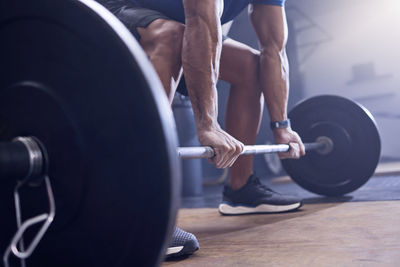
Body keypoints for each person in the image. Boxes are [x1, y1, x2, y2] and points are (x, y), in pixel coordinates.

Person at [97, 0, 306, 259]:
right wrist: (208, 124)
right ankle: (141, 210)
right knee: (171, 34)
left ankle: (241, 190)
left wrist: (281, 125)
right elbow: (202, 24)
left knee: (249, 66)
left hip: (181, 27)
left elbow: (274, 49)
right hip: (108, 14)